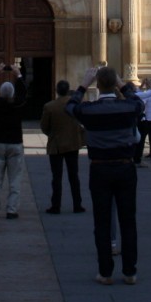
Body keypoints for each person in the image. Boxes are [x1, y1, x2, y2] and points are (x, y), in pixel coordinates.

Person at [67, 65, 142, 286]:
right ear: (115, 84)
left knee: (102, 221)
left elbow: (70, 107)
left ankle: (105, 272)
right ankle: (130, 271)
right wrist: (122, 83)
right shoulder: (128, 108)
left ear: (97, 85)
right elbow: (139, 102)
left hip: (100, 168)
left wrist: (83, 84)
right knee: (128, 221)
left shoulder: (90, 111)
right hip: (125, 168)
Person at [0, 63, 27, 219]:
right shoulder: (18, 105)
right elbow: (23, 93)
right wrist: (18, 74)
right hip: (15, 144)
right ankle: (12, 210)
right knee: (15, 179)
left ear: (0, 93)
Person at [40, 80, 86, 215]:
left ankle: (56, 206)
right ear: (68, 90)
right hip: (73, 144)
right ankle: (77, 204)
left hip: (56, 145)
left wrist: (52, 134)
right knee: (74, 176)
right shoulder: (76, 105)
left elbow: (44, 126)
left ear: (56, 90)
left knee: (56, 177)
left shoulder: (50, 106)